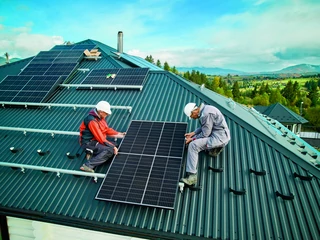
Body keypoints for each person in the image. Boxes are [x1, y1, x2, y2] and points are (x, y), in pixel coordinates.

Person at [180, 103, 231, 186]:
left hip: (219, 138)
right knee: (198, 141)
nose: (193, 118)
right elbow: (205, 126)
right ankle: (214, 149)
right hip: (219, 134)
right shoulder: (206, 109)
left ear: (194, 112)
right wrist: (193, 133)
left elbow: (205, 134)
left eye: (191, 116)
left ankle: (192, 176)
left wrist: (192, 139)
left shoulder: (206, 114)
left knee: (193, 146)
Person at [79, 101, 125, 173]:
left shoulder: (100, 118)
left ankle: (95, 153)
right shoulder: (92, 121)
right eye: (106, 113)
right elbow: (100, 138)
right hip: (88, 143)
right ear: (100, 111)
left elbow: (106, 130)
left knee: (115, 145)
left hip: (96, 141)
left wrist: (120, 134)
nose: (107, 115)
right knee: (110, 150)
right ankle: (87, 165)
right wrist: (112, 147)